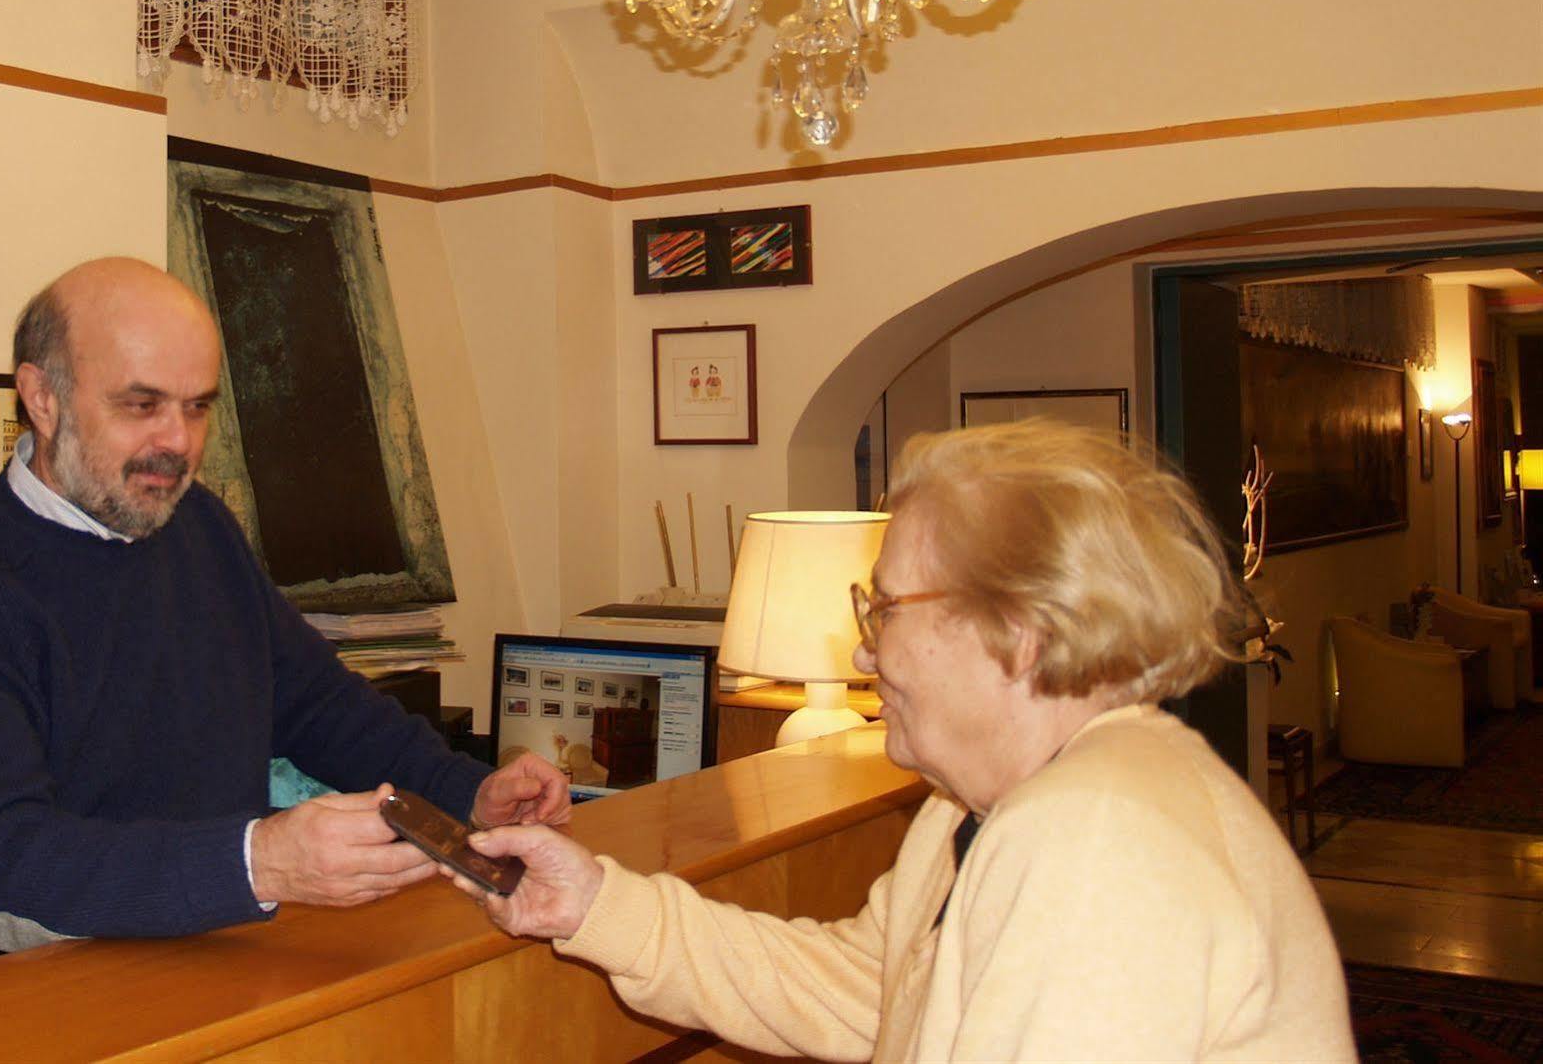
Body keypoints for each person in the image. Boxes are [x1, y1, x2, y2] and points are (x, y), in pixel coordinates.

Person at [443, 420, 1354, 1061]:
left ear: (1016, 629)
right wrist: (593, 905)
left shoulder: (1097, 839)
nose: (865, 644)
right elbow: (867, 990)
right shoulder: (984, 809)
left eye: (882, 606)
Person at [0, 257, 569, 978]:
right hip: (16, 1009)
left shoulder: (196, 525)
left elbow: (315, 705)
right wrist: (258, 863)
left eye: (197, 407)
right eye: (142, 405)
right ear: (42, 397)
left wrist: (464, 791)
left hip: (209, 967)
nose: (178, 443)